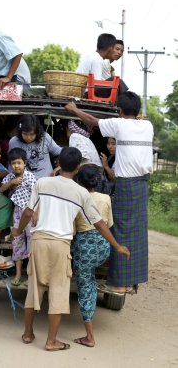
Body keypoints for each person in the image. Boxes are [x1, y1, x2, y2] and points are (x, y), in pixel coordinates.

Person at [10, 147, 130, 351]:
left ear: (60, 164)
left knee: (34, 290)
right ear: (76, 168)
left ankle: (28, 333)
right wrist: (117, 246)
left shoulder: (42, 183)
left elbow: (28, 212)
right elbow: (100, 223)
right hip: (61, 244)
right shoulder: (81, 192)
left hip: (39, 240)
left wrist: (17, 230)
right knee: (57, 291)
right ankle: (51, 341)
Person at [65, 91, 154, 294]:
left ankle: (119, 283)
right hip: (142, 185)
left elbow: (92, 121)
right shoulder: (147, 126)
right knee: (136, 232)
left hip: (127, 184)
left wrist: (73, 109)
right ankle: (129, 280)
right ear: (138, 110)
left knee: (120, 230)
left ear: (120, 111)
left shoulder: (120, 124)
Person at [73, 164, 114, 347]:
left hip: (85, 248)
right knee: (90, 279)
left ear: (79, 181)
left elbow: (73, 230)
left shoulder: (77, 198)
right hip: (104, 248)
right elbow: (109, 224)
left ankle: (89, 337)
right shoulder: (106, 198)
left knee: (85, 289)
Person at [0, 148, 36, 286]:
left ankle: (31, 275)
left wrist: (36, 213)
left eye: (19, 163)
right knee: (17, 242)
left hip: (30, 213)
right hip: (17, 213)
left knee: (32, 242)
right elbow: (1, 189)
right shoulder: (10, 177)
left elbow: (36, 195)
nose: (16, 166)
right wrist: (11, 183)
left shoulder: (30, 177)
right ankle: (18, 274)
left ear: (25, 163)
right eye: (13, 163)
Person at [8, 114, 62, 180]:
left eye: (32, 134)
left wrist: (60, 167)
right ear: (20, 132)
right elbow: (11, 164)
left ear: (37, 132)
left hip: (47, 181)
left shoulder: (45, 137)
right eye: (25, 134)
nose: (28, 137)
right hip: (25, 184)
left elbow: (61, 152)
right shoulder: (14, 142)